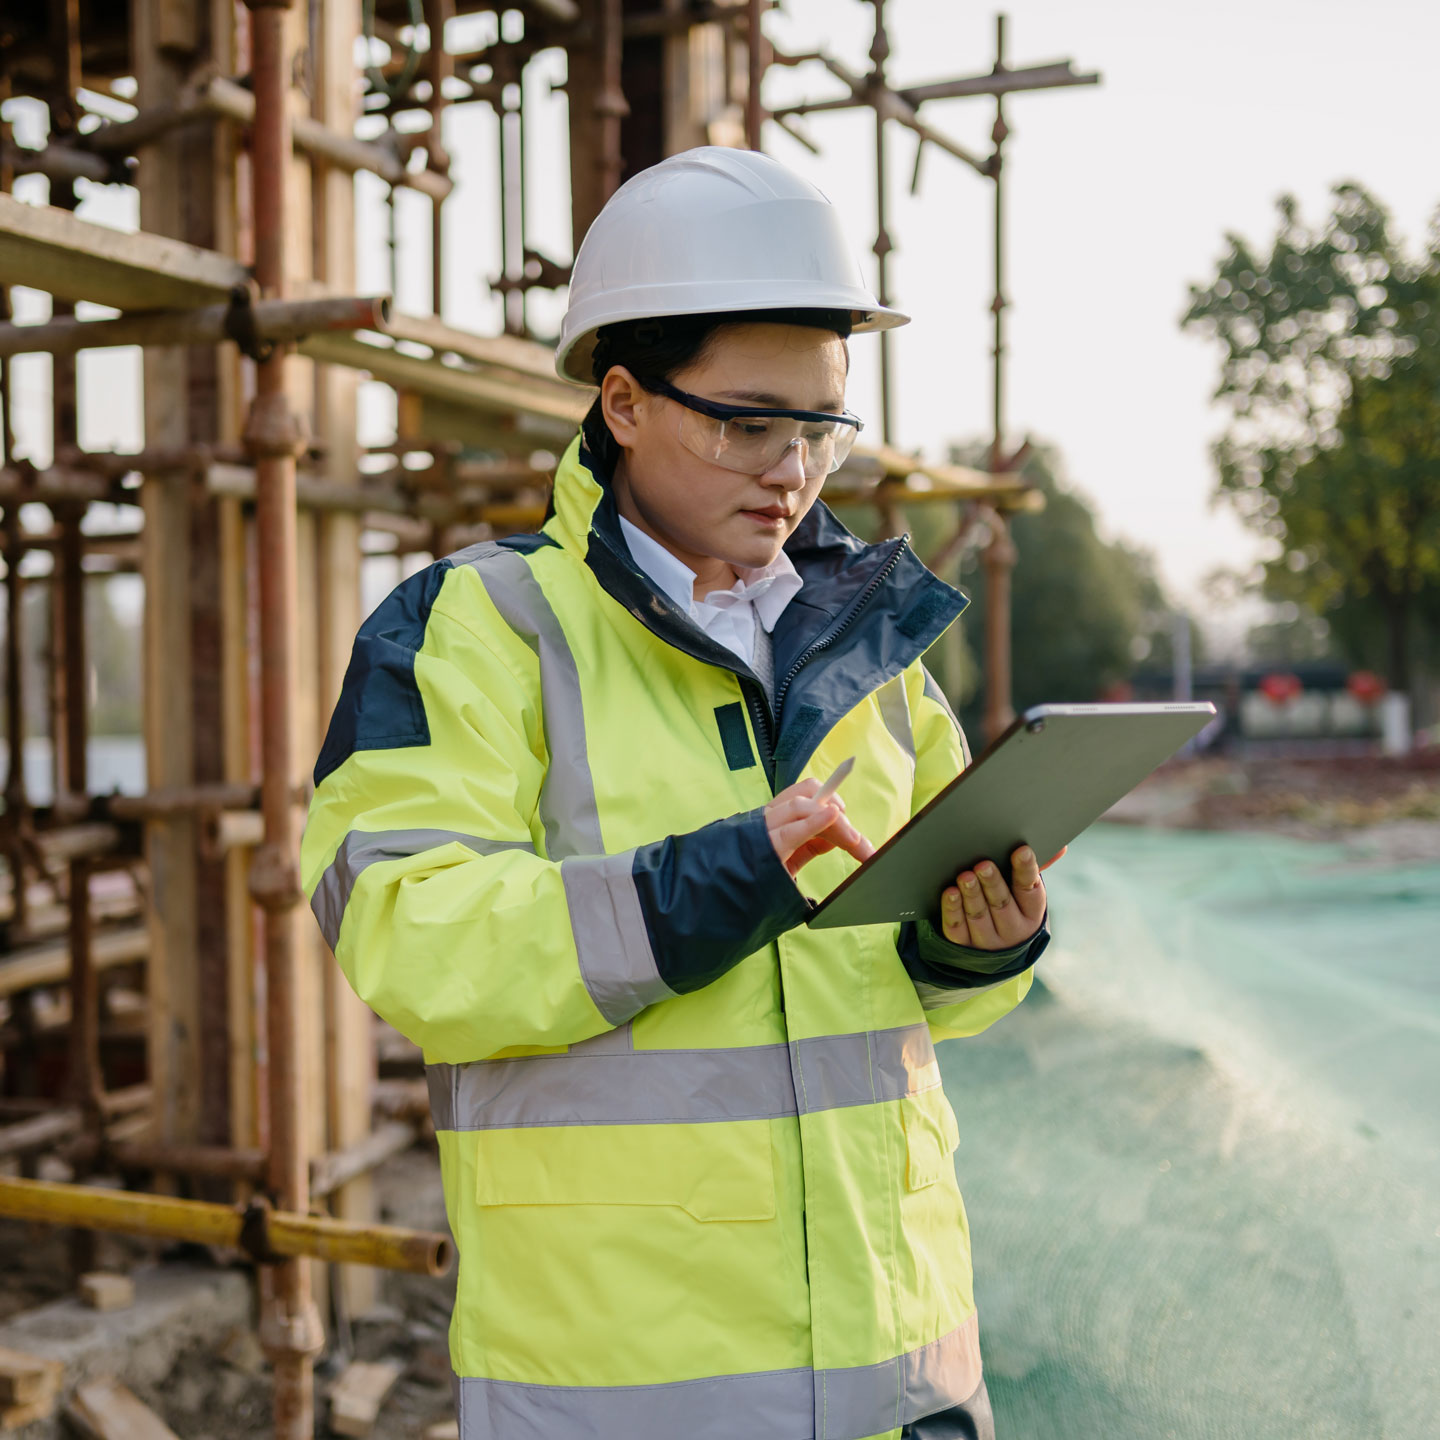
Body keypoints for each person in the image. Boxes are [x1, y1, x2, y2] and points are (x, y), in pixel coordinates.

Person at [303, 146, 1054, 1440]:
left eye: (821, 425)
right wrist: (712, 883)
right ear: (624, 400)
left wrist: (976, 949)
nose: (793, 469)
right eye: (747, 422)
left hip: (906, 1379)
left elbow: (906, 999)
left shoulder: (870, 647)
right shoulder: (478, 629)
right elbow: (411, 935)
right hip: (627, 1395)